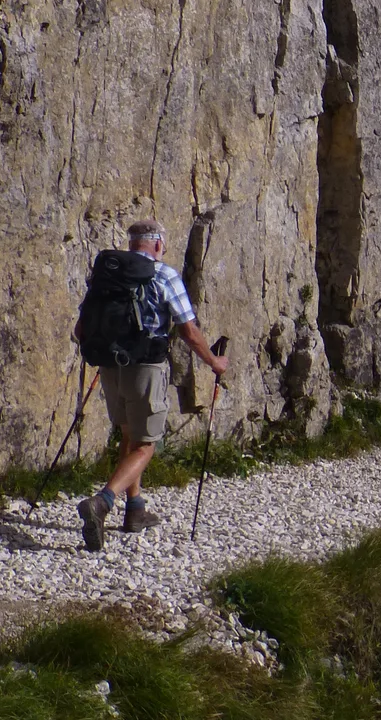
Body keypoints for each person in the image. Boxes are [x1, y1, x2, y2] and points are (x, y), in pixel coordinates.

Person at [73, 219, 229, 552]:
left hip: (110, 367)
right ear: (157, 244)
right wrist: (214, 363)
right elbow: (188, 330)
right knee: (146, 444)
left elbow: (80, 330)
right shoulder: (164, 274)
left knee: (129, 434)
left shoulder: (106, 277)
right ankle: (103, 501)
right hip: (146, 366)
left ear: (132, 245)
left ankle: (135, 511)